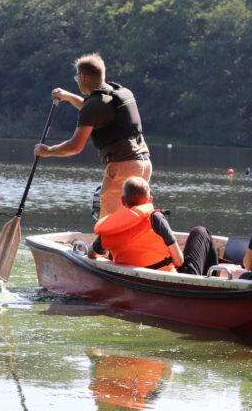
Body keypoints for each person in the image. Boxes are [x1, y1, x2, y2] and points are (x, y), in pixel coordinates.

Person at [34, 53, 151, 219]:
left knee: (109, 221)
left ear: (83, 76)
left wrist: (47, 151)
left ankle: (106, 246)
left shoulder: (95, 104)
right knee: (135, 218)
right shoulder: (116, 93)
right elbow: (93, 110)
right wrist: (68, 97)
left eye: (77, 78)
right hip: (144, 164)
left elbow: (75, 146)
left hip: (123, 166)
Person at [90, 176, 219, 275]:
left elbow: (92, 254)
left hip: (132, 278)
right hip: (172, 280)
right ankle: (216, 280)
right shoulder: (155, 218)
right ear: (149, 200)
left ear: (123, 200)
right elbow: (179, 261)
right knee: (200, 231)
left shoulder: (111, 228)